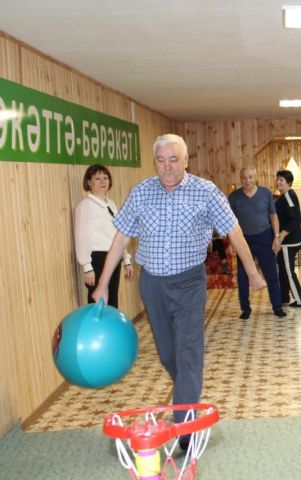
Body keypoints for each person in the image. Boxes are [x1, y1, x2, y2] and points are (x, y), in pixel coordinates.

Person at [92, 134, 266, 447]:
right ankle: (187, 392)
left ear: (185, 161)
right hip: (153, 284)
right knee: (168, 354)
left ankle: (184, 428)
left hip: (189, 282)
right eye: (161, 160)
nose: (168, 167)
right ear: (154, 162)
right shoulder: (142, 192)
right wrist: (103, 284)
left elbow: (234, 230)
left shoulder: (205, 191)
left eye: (174, 160)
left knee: (189, 353)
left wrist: (252, 273)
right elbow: (120, 239)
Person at [228, 166, 286, 318]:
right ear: (240, 179)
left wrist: (277, 236)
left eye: (250, 177)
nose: (247, 181)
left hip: (264, 237)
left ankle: (277, 307)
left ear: (256, 178)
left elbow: (273, 216)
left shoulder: (266, 193)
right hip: (243, 240)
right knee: (243, 275)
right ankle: (245, 309)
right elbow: (230, 222)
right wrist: (232, 244)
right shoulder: (234, 197)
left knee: (271, 273)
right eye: (244, 178)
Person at [74, 164, 134, 308]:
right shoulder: (85, 205)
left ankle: (111, 331)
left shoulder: (111, 204)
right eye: (97, 178)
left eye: (105, 178)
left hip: (114, 256)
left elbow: (118, 233)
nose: (102, 182)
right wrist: (87, 267)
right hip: (97, 259)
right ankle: (96, 331)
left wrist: (126, 258)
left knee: (112, 301)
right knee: (98, 302)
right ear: (89, 182)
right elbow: (81, 237)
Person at [275, 170, 301, 307]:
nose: (279, 182)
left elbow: (295, 219)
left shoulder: (288, 196)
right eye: (278, 180)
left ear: (289, 182)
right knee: (282, 269)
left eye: (282, 180)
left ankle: (300, 300)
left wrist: (282, 235)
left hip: (289, 241)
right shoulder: (283, 196)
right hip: (285, 241)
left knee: (288, 271)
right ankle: (284, 297)